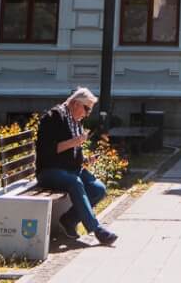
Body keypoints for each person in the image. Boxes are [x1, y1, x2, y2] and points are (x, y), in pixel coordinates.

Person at [34, 87, 118, 247]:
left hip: (70, 170)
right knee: (75, 182)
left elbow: (72, 154)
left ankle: (69, 220)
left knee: (98, 189)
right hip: (49, 171)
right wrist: (75, 142)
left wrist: (86, 159)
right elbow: (47, 151)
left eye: (90, 111)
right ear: (74, 103)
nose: (87, 114)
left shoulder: (75, 121)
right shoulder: (53, 117)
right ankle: (97, 230)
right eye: (86, 109)